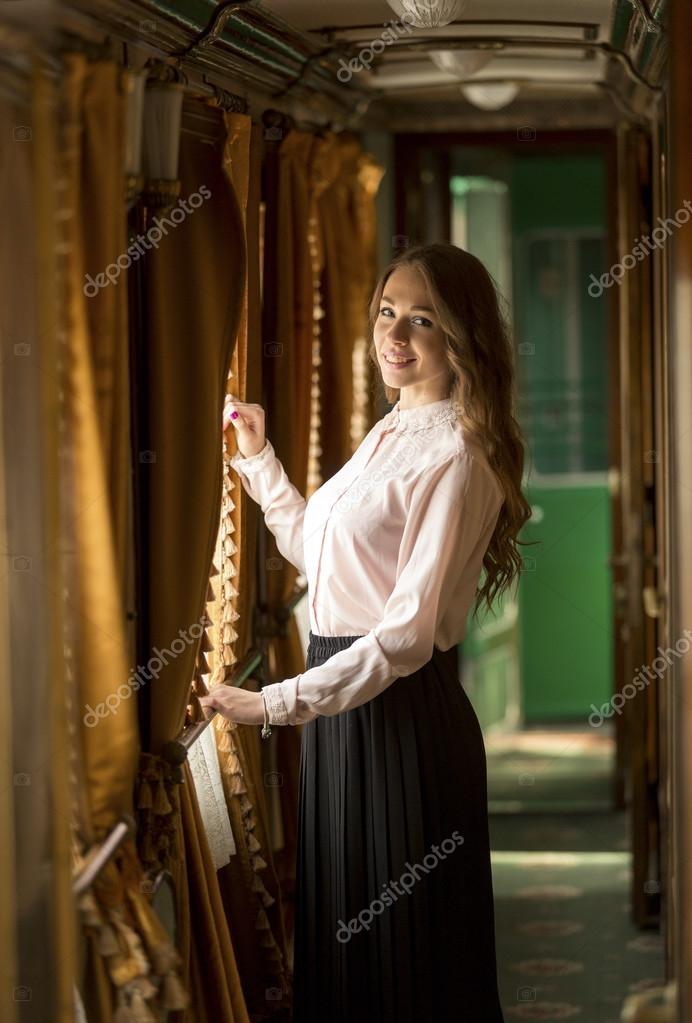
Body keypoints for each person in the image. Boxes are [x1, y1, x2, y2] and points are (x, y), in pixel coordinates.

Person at [200, 242, 532, 1022]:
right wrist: (259, 459)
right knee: (350, 951)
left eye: (423, 319)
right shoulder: (392, 429)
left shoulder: (459, 450)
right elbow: (322, 556)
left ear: (462, 337)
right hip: (346, 711)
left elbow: (406, 634)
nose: (396, 335)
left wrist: (273, 702)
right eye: (388, 312)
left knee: (406, 962)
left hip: (402, 721)